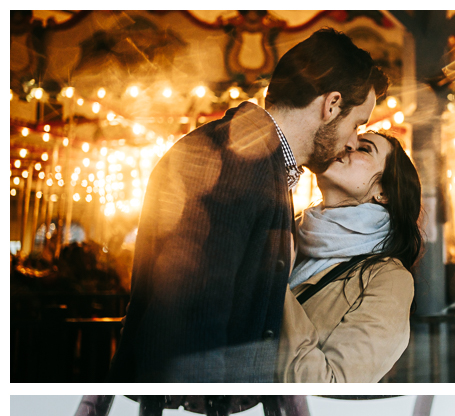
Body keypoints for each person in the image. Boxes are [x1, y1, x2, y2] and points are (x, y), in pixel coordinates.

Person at [110, 29, 387, 382]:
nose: (352, 142)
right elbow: (194, 321)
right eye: (356, 124)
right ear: (331, 105)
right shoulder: (234, 162)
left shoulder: (255, 160)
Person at [276, 129, 422, 382]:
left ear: (383, 192)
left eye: (364, 148)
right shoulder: (287, 232)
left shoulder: (389, 280)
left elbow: (334, 384)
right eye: (350, 141)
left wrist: (276, 279)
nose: (346, 146)